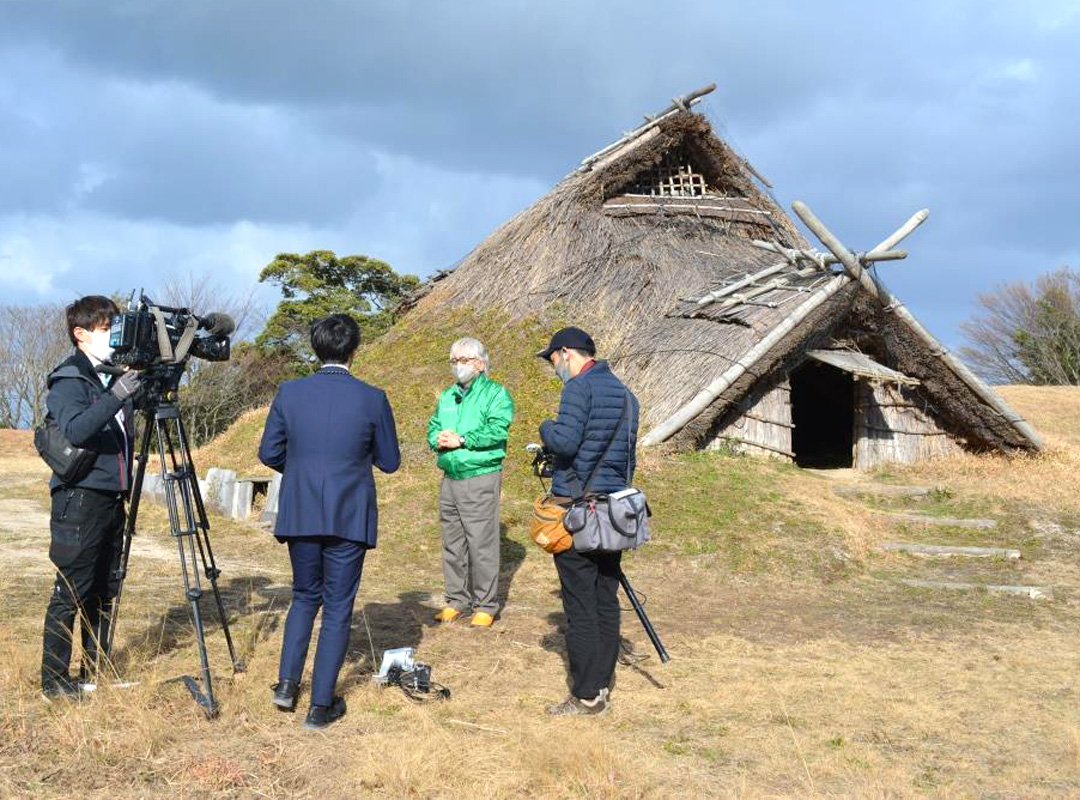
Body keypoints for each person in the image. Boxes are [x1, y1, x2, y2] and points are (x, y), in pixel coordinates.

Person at [258, 313, 400, 729]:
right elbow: (390, 461)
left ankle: (287, 686)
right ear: (354, 349)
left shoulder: (290, 392)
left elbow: (269, 452)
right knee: (338, 606)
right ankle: (320, 706)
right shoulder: (372, 398)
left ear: (315, 347)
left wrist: (302, 470)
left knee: (304, 595)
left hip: (301, 509)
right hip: (349, 511)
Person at [41, 295, 141, 700]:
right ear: (80, 334)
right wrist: (118, 395)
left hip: (112, 496)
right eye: (105, 329)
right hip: (80, 498)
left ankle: (95, 670)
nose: (112, 336)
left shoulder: (112, 375)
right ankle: (54, 681)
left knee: (104, 589)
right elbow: (77, 429)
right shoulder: (69, 379)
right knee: (72, 588)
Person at [537, 326, 639, 716]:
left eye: (553, 359)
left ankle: (585, 695)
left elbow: (564, 442)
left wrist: (546, 427)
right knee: (605, 600)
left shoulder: (578, 389)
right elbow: (628, 459)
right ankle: (601, 684)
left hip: (579, 511)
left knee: (580, 605)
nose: (554, 368)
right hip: (615, 512)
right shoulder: (627, 395)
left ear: (566, 353)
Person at [426, 337, 514, 627]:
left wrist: (463, 440)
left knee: (481, 543)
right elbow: (433, 426)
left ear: (480, 363)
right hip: (450, 476)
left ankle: (485, 605)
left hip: (480, 475)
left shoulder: (496, 394)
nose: (458, 366)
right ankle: (456, 600)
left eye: (463, 360)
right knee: (452, 544)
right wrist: (437, 438)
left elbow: (497, 430)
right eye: (454, 361)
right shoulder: (448, 396)